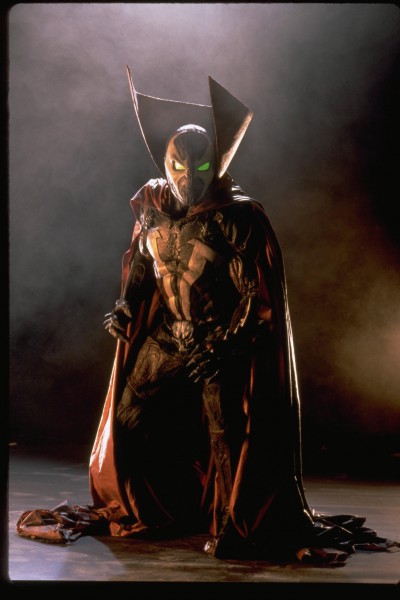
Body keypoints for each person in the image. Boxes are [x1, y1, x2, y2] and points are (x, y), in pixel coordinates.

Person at [16, 68, 399, 563]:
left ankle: (232, 525)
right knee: (128, 419)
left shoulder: (237, 216)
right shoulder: (152, 204)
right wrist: (125, 305)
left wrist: (225, 344)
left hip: (216, 340)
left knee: (226, 436)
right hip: (167, 338)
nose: (186, 178)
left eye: (198, 167)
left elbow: (256, 295)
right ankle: (161, 508)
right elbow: (142, 268)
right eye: (178, 165)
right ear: (165, 161)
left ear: (215, 165)